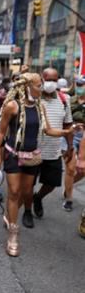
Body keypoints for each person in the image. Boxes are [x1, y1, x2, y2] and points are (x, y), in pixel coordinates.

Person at [0, 73, 71, 257]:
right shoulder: (12, 106)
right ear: (27, 86)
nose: (41, 88)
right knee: (14, 192)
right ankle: (13, 234)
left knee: (27, 192)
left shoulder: (39, 106)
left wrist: (68, 131)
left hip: (32, 157)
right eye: (38, 85)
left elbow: (48, 130)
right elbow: (2, 132)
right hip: (13, 155)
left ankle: (10, 216)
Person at [31, 68, 73, 224]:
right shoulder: (34, 97)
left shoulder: (64, 99)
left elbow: (68, 124)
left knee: (51, 183)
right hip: (33, 150)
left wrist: (70, 146)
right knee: (28, 184)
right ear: (42, 79)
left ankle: (38, 197)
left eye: (54, 80)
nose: (51, 83)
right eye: (48, 79)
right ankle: (28, 211)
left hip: (54, 151)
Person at [64, 77, 85, 211]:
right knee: (70, 169)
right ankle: (69, 199)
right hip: (69, 134)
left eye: (82, 85)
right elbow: (64, 117)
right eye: (78, 84)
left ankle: (68, 187)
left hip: (84, 136)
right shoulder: (69, 100)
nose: (80, 87)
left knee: (82, 171)